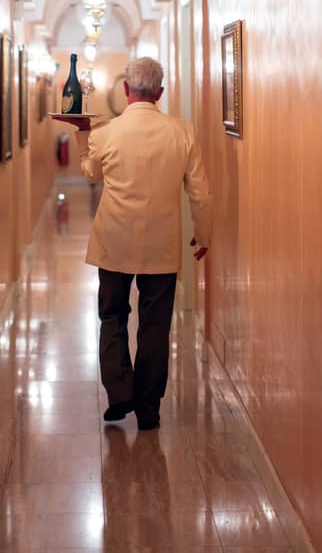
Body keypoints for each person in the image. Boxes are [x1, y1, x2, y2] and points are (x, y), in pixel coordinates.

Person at [68, 56, 212, 430]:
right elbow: (200, 193)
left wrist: (83, 136)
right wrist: (204, 232)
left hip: (114, 241)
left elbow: (90, 173)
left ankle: (119, 394)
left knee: (113, 316)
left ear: (126, 90)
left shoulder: (106, 133)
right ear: (160, 93)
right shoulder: (183, 132)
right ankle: (148, 407)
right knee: (155, 325)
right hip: (161, 245)